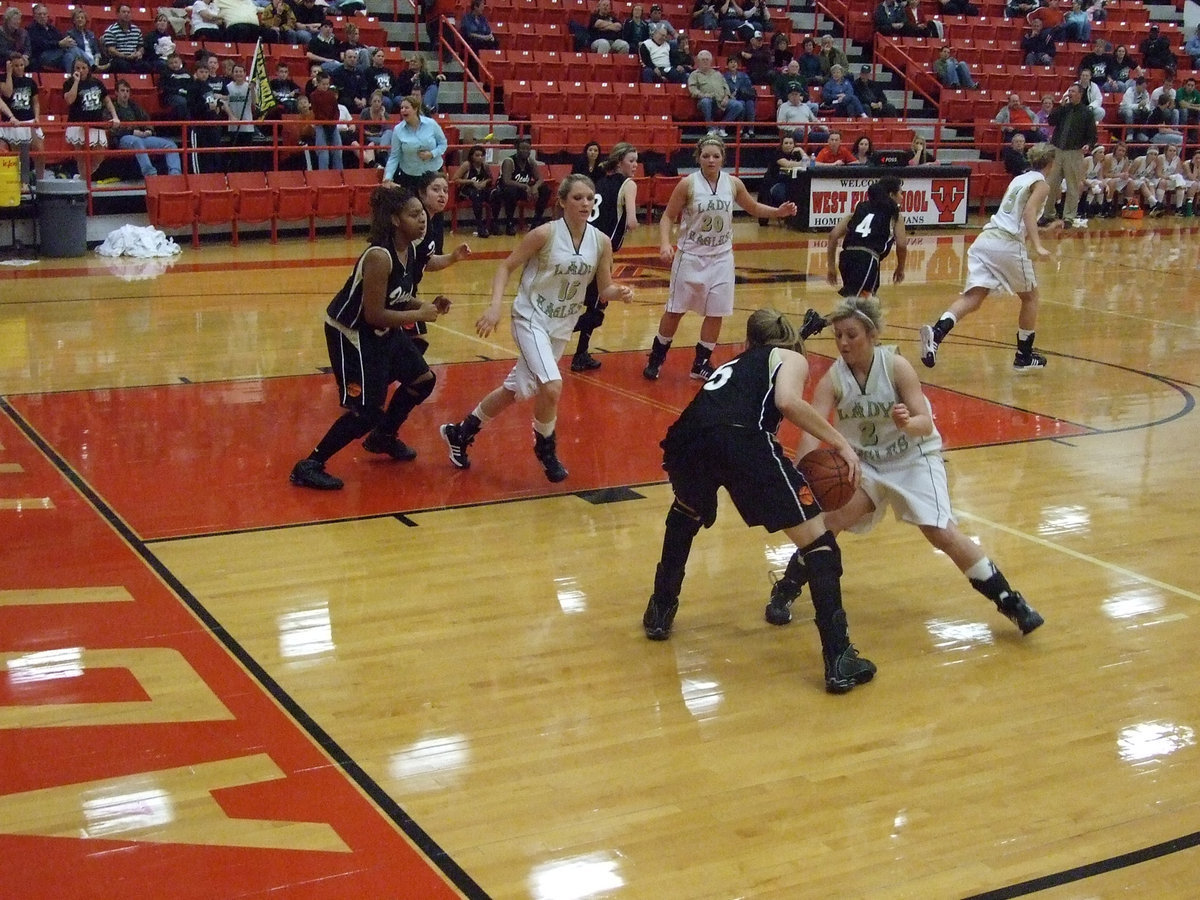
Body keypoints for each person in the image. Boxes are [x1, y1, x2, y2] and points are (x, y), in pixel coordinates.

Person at [640, 308, 876, 695]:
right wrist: (841, 444)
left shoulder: (734, 364)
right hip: (740, 438)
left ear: (749, 340)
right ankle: (839, 658)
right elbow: (787, 401)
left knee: (685, 514)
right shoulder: (790, 357)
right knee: (820, 546)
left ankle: (660, 611)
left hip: (686, 439)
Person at [797, 296, 1044, 645]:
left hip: (913, 457)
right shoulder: (833, 379)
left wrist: (907, 423)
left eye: (851, 335)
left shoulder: (896, 367)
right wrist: (800, 474)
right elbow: (811, 427)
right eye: (838, 335)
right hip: (868, 463)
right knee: (829, 522)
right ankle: (786, 587)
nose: (843, 343)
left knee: (941, 532)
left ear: (872, 334)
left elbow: (925, 423)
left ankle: (1010, 601)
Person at [439, 174, 634, 482]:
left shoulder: (601, 242)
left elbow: (604, 288)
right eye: (577, 197)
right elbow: (505, 266)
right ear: (562, 202)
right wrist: (494, 307)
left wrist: (619, 292)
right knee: (552, 386)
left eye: (589, 198)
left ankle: (460, 433)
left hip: (561, 325)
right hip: (530, 317)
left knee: (515, 390)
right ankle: (546, 450)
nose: (585, 203)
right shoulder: (544, 234)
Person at [290, 185, 450, 490]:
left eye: (422, 213)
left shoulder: (409, 250)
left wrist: (425, 305)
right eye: (413, 214)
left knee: (422, 380)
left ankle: (383, 436)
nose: (422, 219)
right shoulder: (379, 256)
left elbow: (399, 296)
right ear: (395, 220)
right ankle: (309, 465)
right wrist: (419, 314)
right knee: (366, 412)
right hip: (351, 333)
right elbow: (374, 313)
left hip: (379, 330)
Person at [644, 135, 797, 381]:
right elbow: (668, 216)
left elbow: (753, 207)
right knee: (675, 311)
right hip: (691, 257)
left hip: (721, 258)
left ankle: (701, 364)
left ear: (723, 158)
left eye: (716, 156)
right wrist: (664, 243)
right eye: (706, 156)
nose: (711, 160)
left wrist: (778, 212)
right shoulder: (687, 184)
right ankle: (657, 357)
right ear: (698, 158)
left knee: (716, 312)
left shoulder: (733, 183)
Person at [919, 141, 1062, 373]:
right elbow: (1028, 212)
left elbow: (1016, 218)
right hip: (1006, 243)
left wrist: (1044, 231)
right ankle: (1024, 356)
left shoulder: (1019, 179)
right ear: (1051, 163)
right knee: (1031, 297)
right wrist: (1038, 246)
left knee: (974, 297)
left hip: (986, 240)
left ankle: (936, 333)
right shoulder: (1042, 184)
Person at [571, 142, 640, 372]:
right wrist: (631, 222)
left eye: (637, 161)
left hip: (583, 246)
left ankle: (580, 354)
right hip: (600, 253)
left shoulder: (600, 181)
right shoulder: (629, 184)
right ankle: (552, 333)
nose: (635, 165)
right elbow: (632, 222)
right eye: (631, 161)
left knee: (592, 305)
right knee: (597, 312)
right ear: (620, 162)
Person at [825, 176, 907, 299]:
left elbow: (833, 236)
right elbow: (901, 245)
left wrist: (831, 266)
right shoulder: (894, 215)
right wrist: (900, 268)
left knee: (858, 300)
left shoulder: (860, 208)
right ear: (891, 195)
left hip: (846, 258)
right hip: (867, 259)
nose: (902, 197)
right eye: (901, 193)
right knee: (862, 303)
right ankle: (826, 314)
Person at [1041, 83, 1097, 226]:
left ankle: (1068, 217)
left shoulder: (1087, 112)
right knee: (1051, 184)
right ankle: (1048, 214)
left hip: (1074, 152)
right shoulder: (1064, 109)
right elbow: (1051, 121)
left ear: (1080, 94)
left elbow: (1092, 134)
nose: (1070, 94)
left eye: (1073, 91)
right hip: (1057, 150)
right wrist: (1061, 106)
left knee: (1072, 187)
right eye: (1069, 91)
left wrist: (1088, 144)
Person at [111, 77, 182, 178]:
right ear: (116, 92)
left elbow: (146, 118)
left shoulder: (134, 106)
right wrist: (132, 132)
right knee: (136, 141)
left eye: (127, 91)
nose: (125, 93)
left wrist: (149, 130)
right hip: (123, 138)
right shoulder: (112, 108)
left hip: (141, 136)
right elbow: (112, 128)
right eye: (122, 90)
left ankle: (175, 175)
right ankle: (150, 175)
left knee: (170, 145)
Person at [63, 58, 119, 180]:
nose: (81, 70)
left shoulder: (97, 83)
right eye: (77, 68)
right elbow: (69, 100)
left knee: (99, 155)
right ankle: (84, 183)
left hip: (96, 123)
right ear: (73, 70)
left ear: (88, 69)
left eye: (84, 68)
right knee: (82, 157)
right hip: (78, 123)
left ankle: (82, 178)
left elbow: (107, 101)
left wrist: (115, 116)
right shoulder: (69, 83)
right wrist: (76, 82)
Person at [382, 96, 447, 192]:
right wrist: (388, 176)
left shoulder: (431, 124)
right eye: (401, 108)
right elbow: (394, 156)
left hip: (433, 172)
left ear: (415, 109)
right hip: (410, 175)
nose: (403, 110)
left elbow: (443, 144)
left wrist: (432, 154)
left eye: (406, 107)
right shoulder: (398, 130)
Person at [0, 52, 46, 183]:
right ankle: (22, 182)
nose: (19, 68)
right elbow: (8, 93)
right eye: (16, 66)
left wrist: (37, 117)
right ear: (10, 66)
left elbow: (35, 102)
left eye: (21, 65)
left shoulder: (30, 82)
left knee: (40, 152)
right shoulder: (3, 79)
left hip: (29, 119)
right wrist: (9, 74)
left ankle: (40, 181)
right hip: (14, 121)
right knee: (20, 156)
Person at [492, 136, 551, 235]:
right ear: (517, 149)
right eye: (523, 148)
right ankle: (509, 223)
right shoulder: (509, 161)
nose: (525, 151)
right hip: (504, 190)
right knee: (511, 191)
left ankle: (536, 221)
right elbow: (506, 181)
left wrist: (535, 187)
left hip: (523, 190)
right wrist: (525, 186)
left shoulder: (530, 162)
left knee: (545, 189)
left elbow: (540, 179)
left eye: (528, 149)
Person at [687, 50, 744, 136]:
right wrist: (703, 95)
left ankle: (722, 127)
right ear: (698, 61)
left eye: (707, 59)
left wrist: (726, 97)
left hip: (721, 100)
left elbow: (725, 86)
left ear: (711, 61)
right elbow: (693, 89)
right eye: (703, 59)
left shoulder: (717, 74)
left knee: (738, 105)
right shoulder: (694, 74)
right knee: (706, 101)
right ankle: (710, 128)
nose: (705, 61)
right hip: (706, 101)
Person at [758, 132, 809, 213]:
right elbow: (788, 164)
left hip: (790, 182)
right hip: (774, 183)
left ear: (794, 145)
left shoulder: (796, 153)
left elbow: (809, 163)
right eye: (786, 143)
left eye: (791, 143)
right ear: (782, 145)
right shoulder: (777, 153)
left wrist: (801, 151)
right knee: (786, 192)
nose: (788, 145)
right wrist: (803, 163)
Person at [452, 144, 495, 237]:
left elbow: (490, 178)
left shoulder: (485, 166)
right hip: (467, 190)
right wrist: (471, 182)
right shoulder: (467, 165)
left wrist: (485, 182)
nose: (480, 158)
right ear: (472, 156)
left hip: (482, 189)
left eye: (482, 155)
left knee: (495, 195)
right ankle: (480, 226)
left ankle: (493, 224)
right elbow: (455, 179)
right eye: (477, 155)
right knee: (476, 196)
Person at [100, 5, 146, 74]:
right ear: (117, 14)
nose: (126, 14)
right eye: (124, 12)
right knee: (124, 66)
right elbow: (111, 50)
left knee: (145, 66)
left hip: (134, 58)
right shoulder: (110, 30)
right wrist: (126, 56)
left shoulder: (137, 30)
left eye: (128, 12)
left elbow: (141, 47)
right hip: (118, 59)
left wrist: (139, 53)